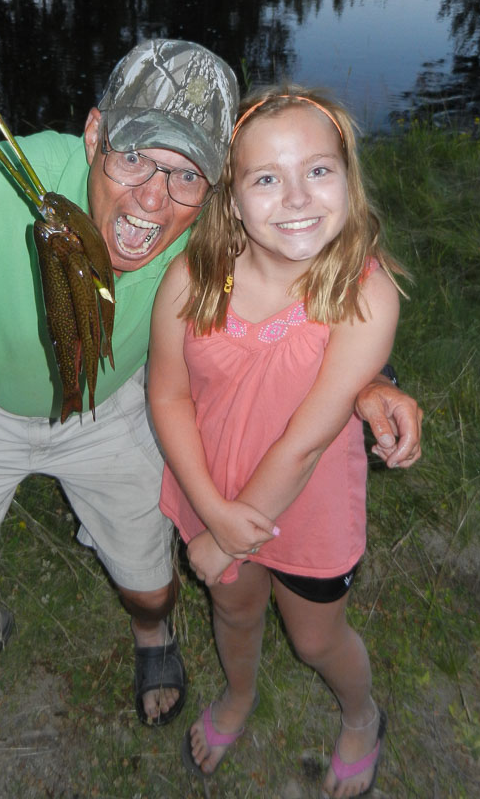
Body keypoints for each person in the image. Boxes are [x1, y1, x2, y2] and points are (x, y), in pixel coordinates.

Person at [0, 41, 421, 729]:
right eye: (133, 158)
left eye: (186, 174)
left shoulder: (213, 233)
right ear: (95, 133)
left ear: (219, 188)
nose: (154, 200)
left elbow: (316, 289)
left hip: (112, 406)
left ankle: (154, 635)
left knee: (153, 589)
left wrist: (372, 384)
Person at [149, 86, 410, 796]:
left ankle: (361, 716)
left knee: (316, 638)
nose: (297, 196)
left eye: (319, 171)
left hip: (307, 511)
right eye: (267, 178)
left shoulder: (366, 293)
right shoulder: (191, 278)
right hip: (213, 492)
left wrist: (225, 538)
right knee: (233, 612)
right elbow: (166, 393)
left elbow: (304, 441)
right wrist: (211, 510)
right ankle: (238, 695)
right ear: (231, 199)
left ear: (348, 181)